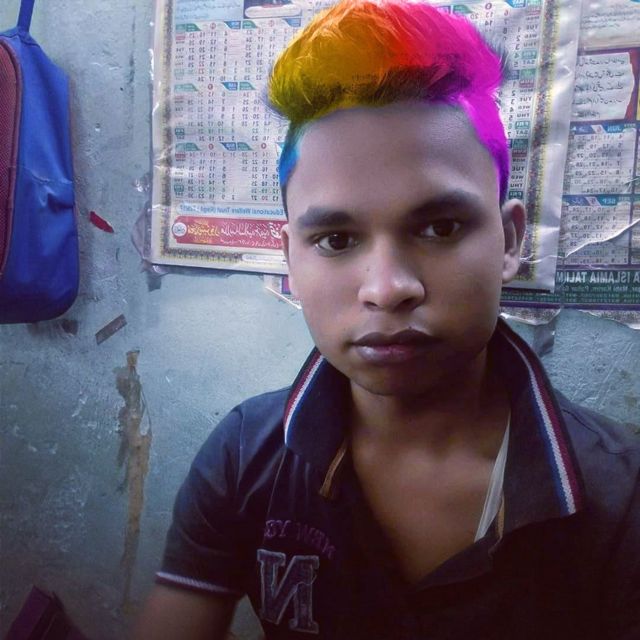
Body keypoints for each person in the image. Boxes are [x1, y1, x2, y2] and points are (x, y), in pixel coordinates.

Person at [133, 1, 640, 638]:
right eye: (336, 240)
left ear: (510, 241)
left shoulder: (622, 497)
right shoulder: (245, 455)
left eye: (440, 227)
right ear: (290, 259)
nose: (388, 288)